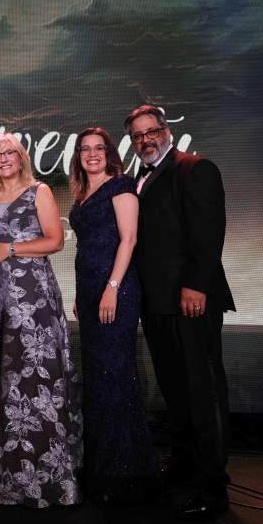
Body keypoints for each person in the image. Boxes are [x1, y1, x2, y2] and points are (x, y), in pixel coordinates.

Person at [123, 104, 235, 521]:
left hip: (191, 300)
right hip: (158, 303)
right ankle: (185, 466)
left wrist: (196, 285)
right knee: (176, 390)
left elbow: (209, 231)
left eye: (151, 132)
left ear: (166, 131)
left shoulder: (195, 168)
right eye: (138, 136)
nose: (145, 140)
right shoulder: (140, 177)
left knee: (203, 390)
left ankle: (213, 486)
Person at [0, 133, 83, 507]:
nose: (4, 158)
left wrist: (11, 248)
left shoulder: (39, 191)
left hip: (33, 294)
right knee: (4, 376)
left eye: (10, 152)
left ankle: (48, 474)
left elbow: (56, 241)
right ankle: (2, 470)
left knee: (35, 372)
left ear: (21, 157)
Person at [69, 128, 161, 505]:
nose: (92, 154)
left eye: (99, 148)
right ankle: (101, 464)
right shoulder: (82, 191)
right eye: (85, 149)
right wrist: (83, 295)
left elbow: (129, 239)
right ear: (78, 155)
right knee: (98, 377)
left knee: (114, 376)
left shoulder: (121, 185)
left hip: (115, 290)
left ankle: (123, 471)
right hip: (91, 292)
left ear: (110, 153)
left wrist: (112, 287)